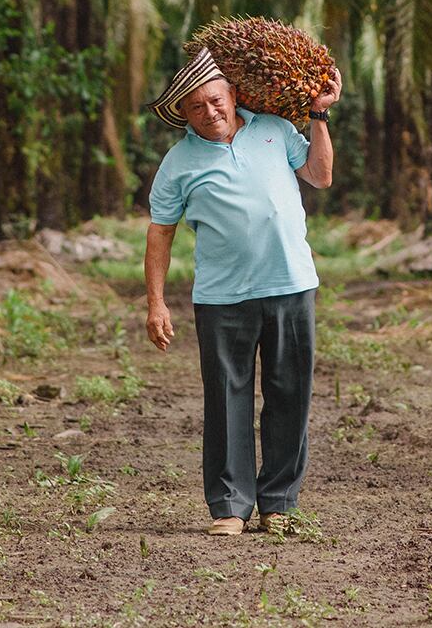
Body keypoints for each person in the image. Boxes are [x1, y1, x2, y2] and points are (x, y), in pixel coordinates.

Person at [142, 47, 342, 536]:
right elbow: (160, 231)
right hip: (221, 297)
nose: (210, 112)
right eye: (196, 107)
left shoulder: (274, 130)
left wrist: (318, 115)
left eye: (216, 100)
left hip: (292, 285)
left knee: (289, 393)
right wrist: (156, 302)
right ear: (183, 116)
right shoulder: (177, 162)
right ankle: (230, 507)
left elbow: (320, 175)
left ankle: (278, 503)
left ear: (232, 95)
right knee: (226, 398)